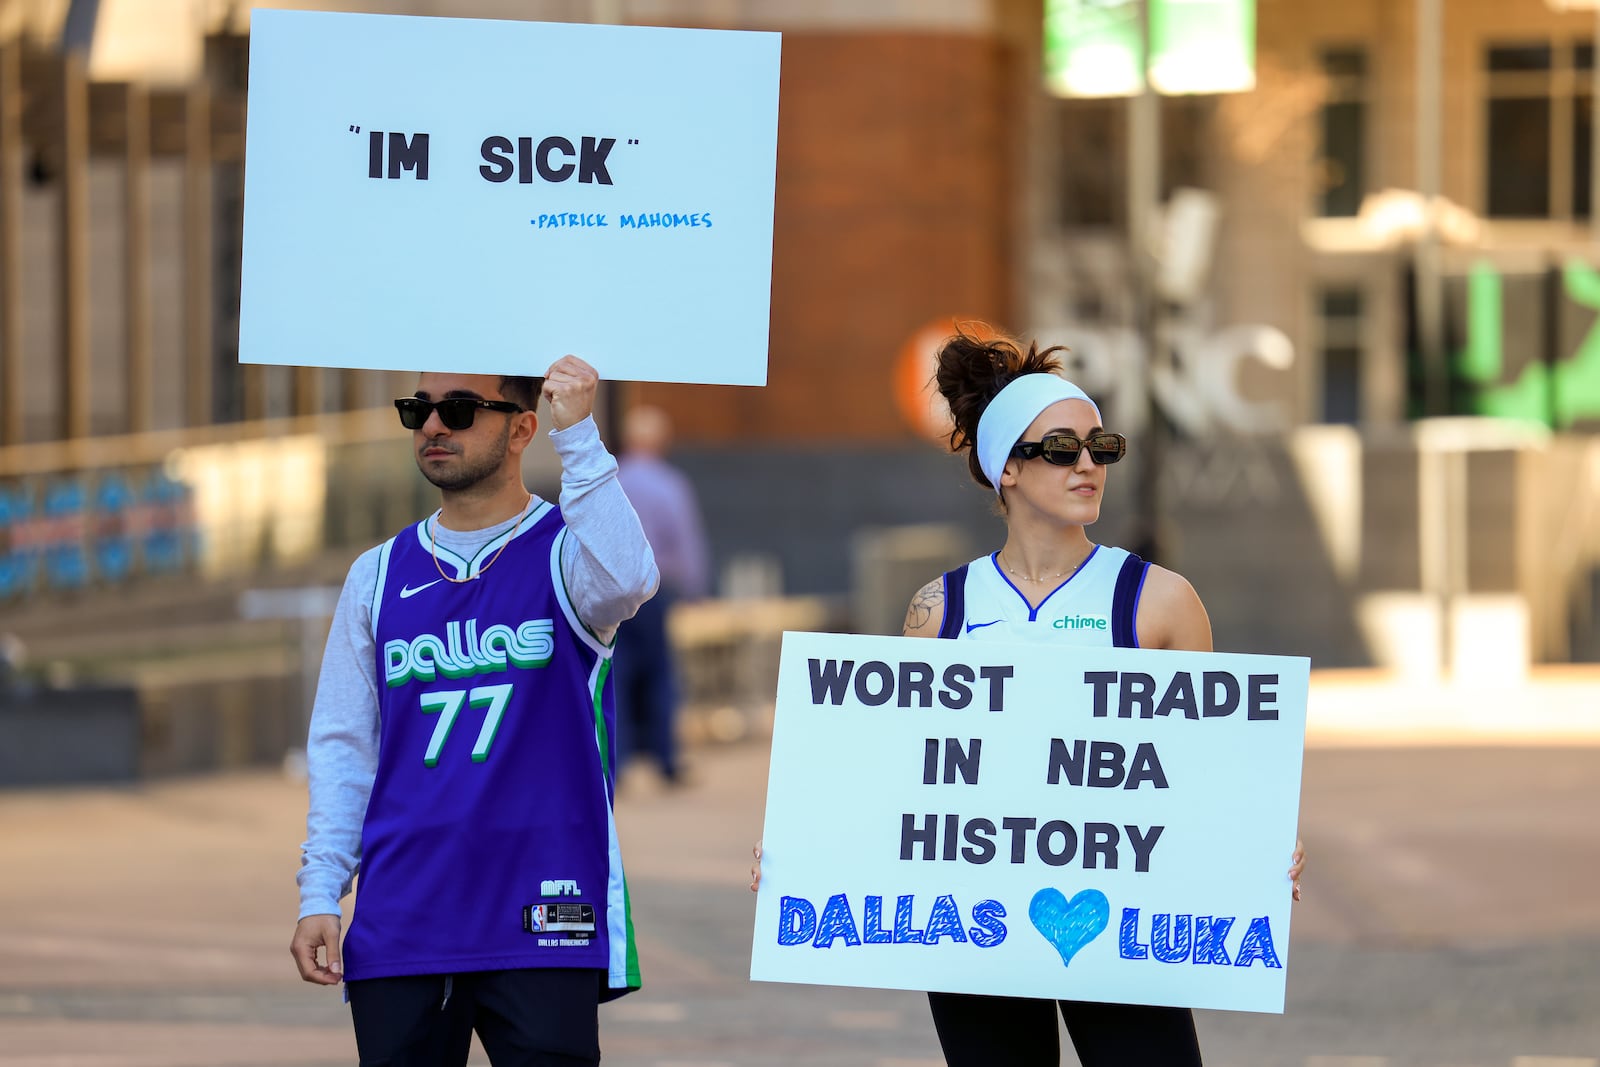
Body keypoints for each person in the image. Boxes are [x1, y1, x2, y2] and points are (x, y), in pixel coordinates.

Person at [752, 327, 1305, 1067]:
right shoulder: (938, 609)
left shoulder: (1160, 602)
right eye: (1061, 449)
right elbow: (900, 774)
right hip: (977, 922)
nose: (1087, 464)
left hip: (1117, 918)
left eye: (1100, 447)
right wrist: (806, 847)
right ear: (1007, 467)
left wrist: (1254, 844)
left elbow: (1204, 768)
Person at [290, 356, 658, 1067]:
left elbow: (631, 576)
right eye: (417, 408)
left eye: (459, 409)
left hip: (544, 913)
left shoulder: (567, 557)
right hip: (403, 919)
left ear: (522, 428)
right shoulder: (376, 573)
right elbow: (343, 748)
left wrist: (578, 434)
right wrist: (319, 891)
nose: (432, 423)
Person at [612, 404, 710, 785]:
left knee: (615, 675)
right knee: (660, 674)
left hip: (613, 588)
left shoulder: (611, 480)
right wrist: (696, 588)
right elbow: (685, 541)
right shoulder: (670, 484)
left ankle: (615, 765)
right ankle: (666, 760)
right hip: (655, 590)